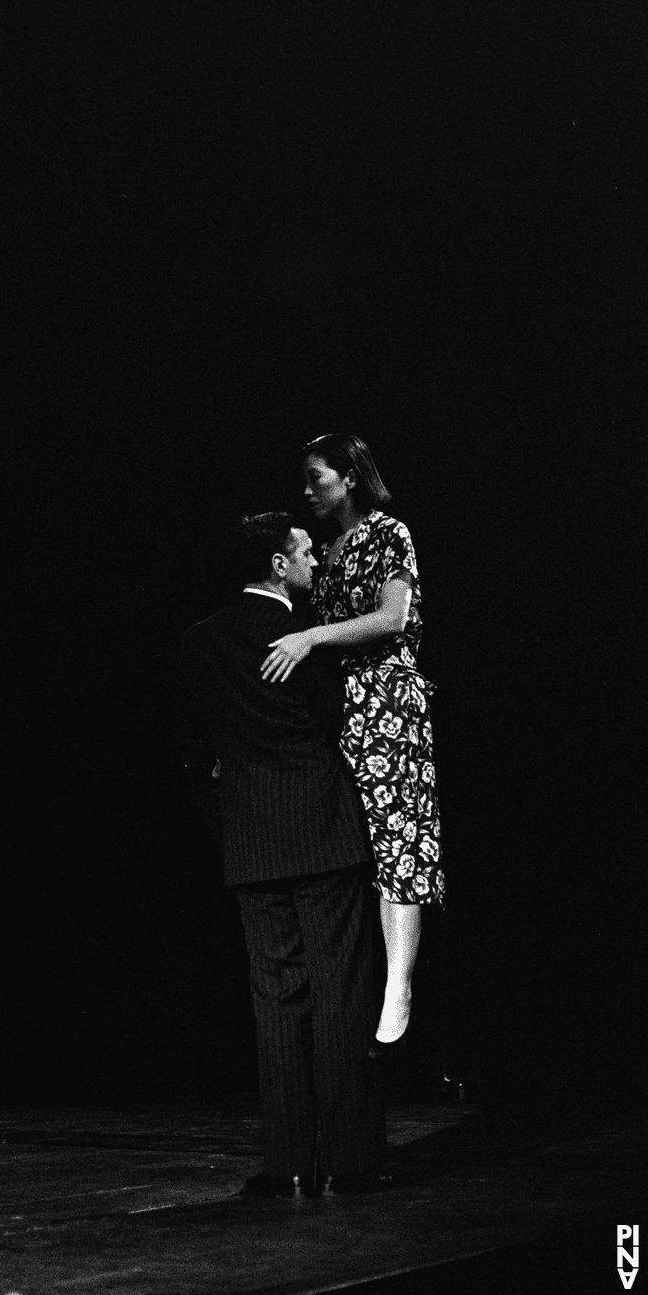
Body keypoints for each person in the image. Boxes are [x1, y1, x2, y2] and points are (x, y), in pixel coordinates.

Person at [180, 512, 387, 1197]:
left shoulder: (203, 641)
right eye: (302, 553)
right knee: (340, 993)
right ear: (276, 564)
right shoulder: (304, 640)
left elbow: (197, 749)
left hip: (252, 838)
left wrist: (230, 826)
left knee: (276, 1001)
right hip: (322, 830)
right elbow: (333, 722)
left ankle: (288, 1160)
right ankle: (351, 1159)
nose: (312, 564)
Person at [261, 435, 445, 1057]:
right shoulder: (321, 551)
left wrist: (314, 635)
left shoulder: (390, 532)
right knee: (344, 843)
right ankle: (352, 985)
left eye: (317, 477)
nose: (307, 491)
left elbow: (393, 618)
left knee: (399, 835)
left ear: (351, 476)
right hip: (336, 702)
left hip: (386, 695)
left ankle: (400, 985)